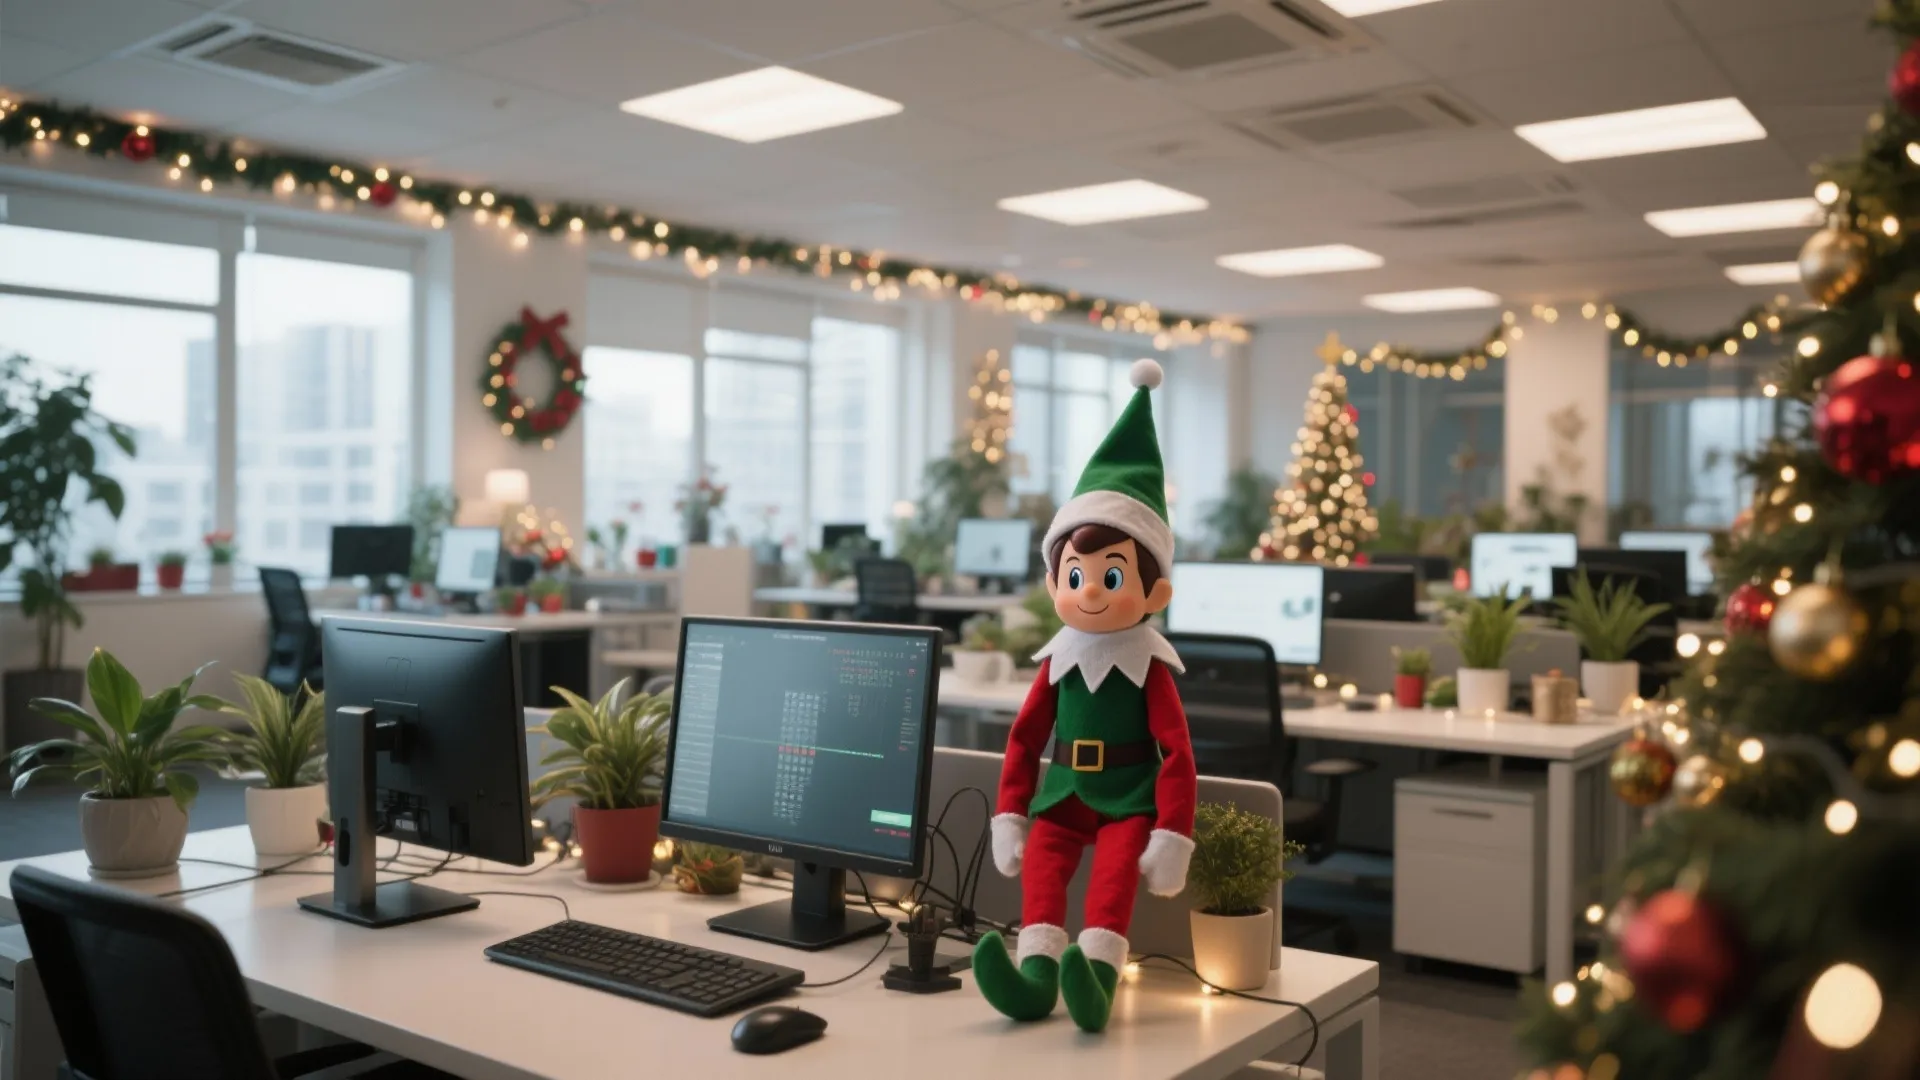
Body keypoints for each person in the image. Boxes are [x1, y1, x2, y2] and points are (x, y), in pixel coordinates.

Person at [971, 359, 1196, 1034]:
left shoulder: (1149, 664)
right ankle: (1037, 974)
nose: (1090, 588)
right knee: (1043, 869)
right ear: (1054, 583)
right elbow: (1024, 739)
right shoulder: (1058, 660)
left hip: (1129, 797)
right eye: (1075, 574)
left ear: (1156, 592)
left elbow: (1177, 753)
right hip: (1064, 793)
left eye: (1111, 575)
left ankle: (1096, 977)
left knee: (1112, 883)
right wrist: (1011, 812)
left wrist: (1173, 832)